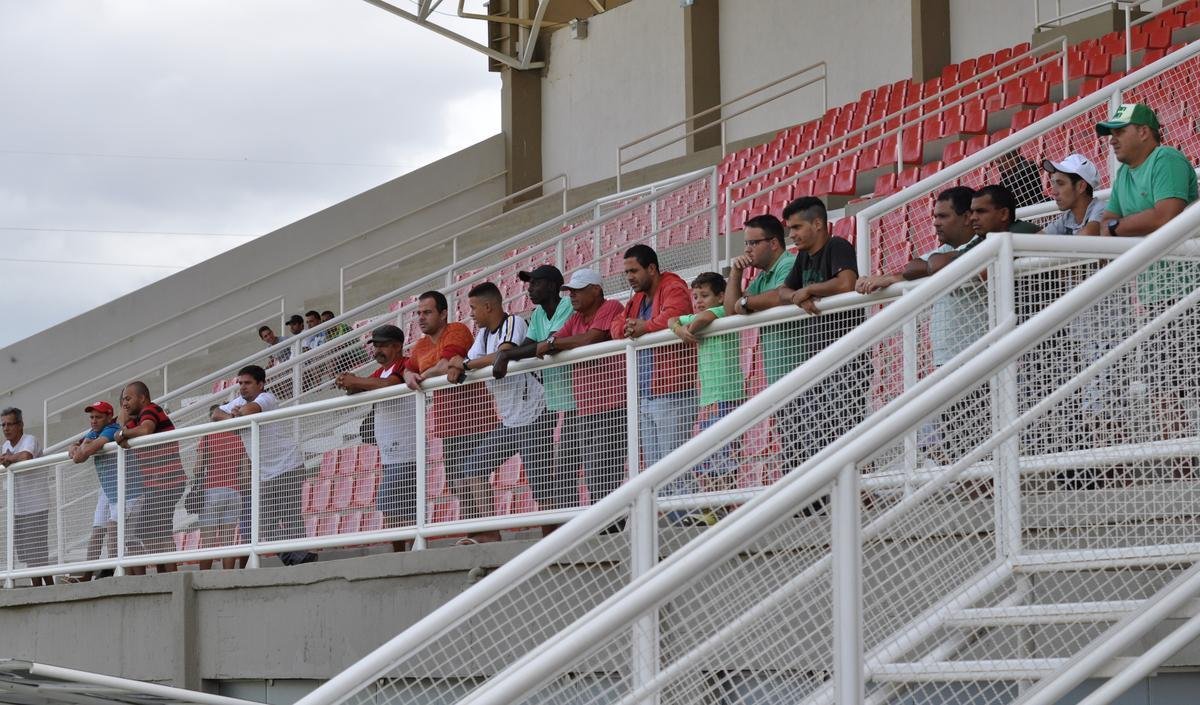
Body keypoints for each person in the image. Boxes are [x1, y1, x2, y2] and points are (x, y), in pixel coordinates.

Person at [1096, 103, 1200, 468]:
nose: (1112, 140)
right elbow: (1107, 223)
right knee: (1161, 383)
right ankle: (1182, 464)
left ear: (1144, 131)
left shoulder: (1166, 159)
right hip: (1157, 294)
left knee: (1175, 379)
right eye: (1110, 133)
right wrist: (1117, 227)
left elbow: (1164, 215)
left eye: (1119, 131)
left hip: (1191, 288)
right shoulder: (1125, 174)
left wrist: (1117, 227)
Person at [856, 187, 990, 465]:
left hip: (979, 360)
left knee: (979, 447)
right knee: (958, 449)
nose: (936, 223)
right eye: (934, 216)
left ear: (967, 217)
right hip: (947, 362)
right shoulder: (943, 252)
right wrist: (920, 270)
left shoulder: (983, 245)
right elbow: (913, 267)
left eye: (943, 216)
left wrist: (933, 267)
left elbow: (924, 267)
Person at [448, 283, 554, 544]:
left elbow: (502, 354)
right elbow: (469, 361)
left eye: (473, 308)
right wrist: (460, 365)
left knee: (540, 483)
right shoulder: (483, 335)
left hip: (534, 414)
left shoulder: (513, 323)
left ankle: (553, 541)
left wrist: (465, 364)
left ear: (488, 306)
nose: (470, 313)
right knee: (473, 468)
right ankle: (491, 533)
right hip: (509, 421)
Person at [609, 245, 699, 523]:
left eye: (634, 271)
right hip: (646, 394)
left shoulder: (674, 287)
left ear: (651, 268)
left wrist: (643, 327)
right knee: (655, 470)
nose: (630, 277)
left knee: (673, 466)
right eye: (626, 272)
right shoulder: (637, 299)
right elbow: (616, 326)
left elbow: (675, 314)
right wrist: (630, 327)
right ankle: (680, 523)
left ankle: (693, 521)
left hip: (673, 391)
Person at [776, 197, 867, 470]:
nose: (792, 235)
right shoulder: (803, 257)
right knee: (820, 437)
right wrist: (798, 296)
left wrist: (810, 289)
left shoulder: (837, 245)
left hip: (846, 360)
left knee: (845, 436)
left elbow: (847, 282)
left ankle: (857, 487)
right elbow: (783, 291)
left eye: (796, 227)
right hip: (818, 359)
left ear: (817, 224)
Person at [403, 291, 499, 535]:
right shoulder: (420, 345)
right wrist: (410, 375)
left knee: (475, 476)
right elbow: (407, 369)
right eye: (419, 313)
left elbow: (446, 364)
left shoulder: (457, 330)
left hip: (475, 419)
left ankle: (490, 532)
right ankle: (473, 533)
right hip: (448, 425)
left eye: (427, 312)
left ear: (444, 313)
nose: (421, 318)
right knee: (458, 482)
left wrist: (422, 375)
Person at [493, 265, 580, 525]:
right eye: (528, 284)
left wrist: (506, 356)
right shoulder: (539, 313)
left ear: (552, 286)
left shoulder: (567, 307)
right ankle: (566, 525)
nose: (529, 289)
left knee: (572, 466)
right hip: (555, 400)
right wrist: (508, 354)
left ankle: (577, 524)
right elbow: (530, 346)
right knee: (557, 470)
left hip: (580, 397)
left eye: (535, 283)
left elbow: (551, 343)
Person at [537, 269, 627, 503]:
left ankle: (611, 521)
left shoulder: (611, 306)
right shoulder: (576, 318)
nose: (572, 296)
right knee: (584, 474)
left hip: (612, 404)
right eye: (570, 291)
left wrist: (555, 342)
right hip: (584, 407)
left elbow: (589, 339)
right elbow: (551, 343)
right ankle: (595, 520)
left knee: (603, 474)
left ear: (596, 290)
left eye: (577, 291)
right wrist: (555, 342)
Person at [211, 365, 316, 565]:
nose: (242, 387)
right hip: (265, 472)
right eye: (240, 383)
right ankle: (298, 557)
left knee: (290, 516)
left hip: (287, 464)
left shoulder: (267, 398)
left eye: (248, 383)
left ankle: (300, 559)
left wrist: (237, 416)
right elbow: (215, 414)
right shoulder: (239, 401)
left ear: (261, 384)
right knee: (262, 524)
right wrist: (233, 417)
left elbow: (249, 411)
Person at [335, 325, 417, 552]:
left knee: (393, 503)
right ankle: (405, 552)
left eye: (383, 346)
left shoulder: (405, 364)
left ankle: (409, 552)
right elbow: (359, 388)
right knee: (399, 506)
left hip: (407, 449)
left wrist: (356, 381)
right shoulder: (381, 371)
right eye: (376, 346)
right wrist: (347, 381)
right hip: (390, 451)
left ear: (397, 346)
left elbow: (389, 385)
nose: (377, 350)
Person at [668, 272, 743, 516]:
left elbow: (703, 318)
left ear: (721, 296)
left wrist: (686, 329)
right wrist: (679, 330)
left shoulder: (723, 311)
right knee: (709, 454)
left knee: (726, 454)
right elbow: (671, 320)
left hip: (728, 396)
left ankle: (724, 505)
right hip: (709, 399)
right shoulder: (698, 315)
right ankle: (714, 505)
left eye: (704, 295)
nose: (698, 301)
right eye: (695, 296)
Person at [116, 382, 186, 574]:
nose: (124, 404)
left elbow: (145, 430)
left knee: (160, 531)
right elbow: (121, 433)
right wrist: (123, 431)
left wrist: (123, 433)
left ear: (142, 398)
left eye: (128, 399)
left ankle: (171, 577)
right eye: (122, 401)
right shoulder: (136, 419)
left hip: (167, 482)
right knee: (147, 532)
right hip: (156, 485)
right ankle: (163, 574)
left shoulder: (150, 410)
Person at [724, 214, 803, 384]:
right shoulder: (762, 277)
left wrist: (745, 303)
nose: (747, 250)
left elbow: (781, 295)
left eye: (753, 243)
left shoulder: (789, 264)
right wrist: (736, 272)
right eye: (746, 243)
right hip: (779, 379)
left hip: (800, 375)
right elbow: (731, 310)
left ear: (773, 243)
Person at [68, 401, 141, 581]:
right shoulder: (94, 432)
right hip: (109, 492)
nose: (93, 421)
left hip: (128, 493)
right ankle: (87, 575)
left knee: (124, 538)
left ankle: (118, 575)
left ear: (109, 417)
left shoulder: (111, 429)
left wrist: (83, 447)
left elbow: (82, 455)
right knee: (97, 533)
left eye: (98, 417)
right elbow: (75, 450)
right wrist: (77, 446)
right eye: (91, 417)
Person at [193, 408, 248, 570]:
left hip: (211, 491)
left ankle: (203, 578)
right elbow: (245, 475)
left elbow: (197, 468)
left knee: (208, 542)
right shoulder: (239, 438)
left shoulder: (208, 437)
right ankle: (228, 577)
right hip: (233, 492)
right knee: (228, 541)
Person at [1, 408, 50, 586]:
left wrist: (10, 458)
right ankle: (42, 588)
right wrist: (8, 458)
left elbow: (26, 456)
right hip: (18, 508)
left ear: (20, 425)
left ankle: (45, 588)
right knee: (27, 554)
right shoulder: (5, 446)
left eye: (10, 424)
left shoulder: (29, 439)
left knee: (36, 553)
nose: (6, 428)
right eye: (3, 425)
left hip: (36, 505)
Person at [1041, 154, 1105, 235]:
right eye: (1053, 183)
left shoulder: (1102, 209)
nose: (1053, 192)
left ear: (1081, 186)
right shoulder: (1068, 217)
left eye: (1060, 184)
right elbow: (1037, 239)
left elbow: (1086, 236)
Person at [968, 184, 1041, 236]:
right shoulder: (984, 238)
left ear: (1004, 214)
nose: (972, 218)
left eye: (981, 211)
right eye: (972, 212)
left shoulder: (1023, 231)